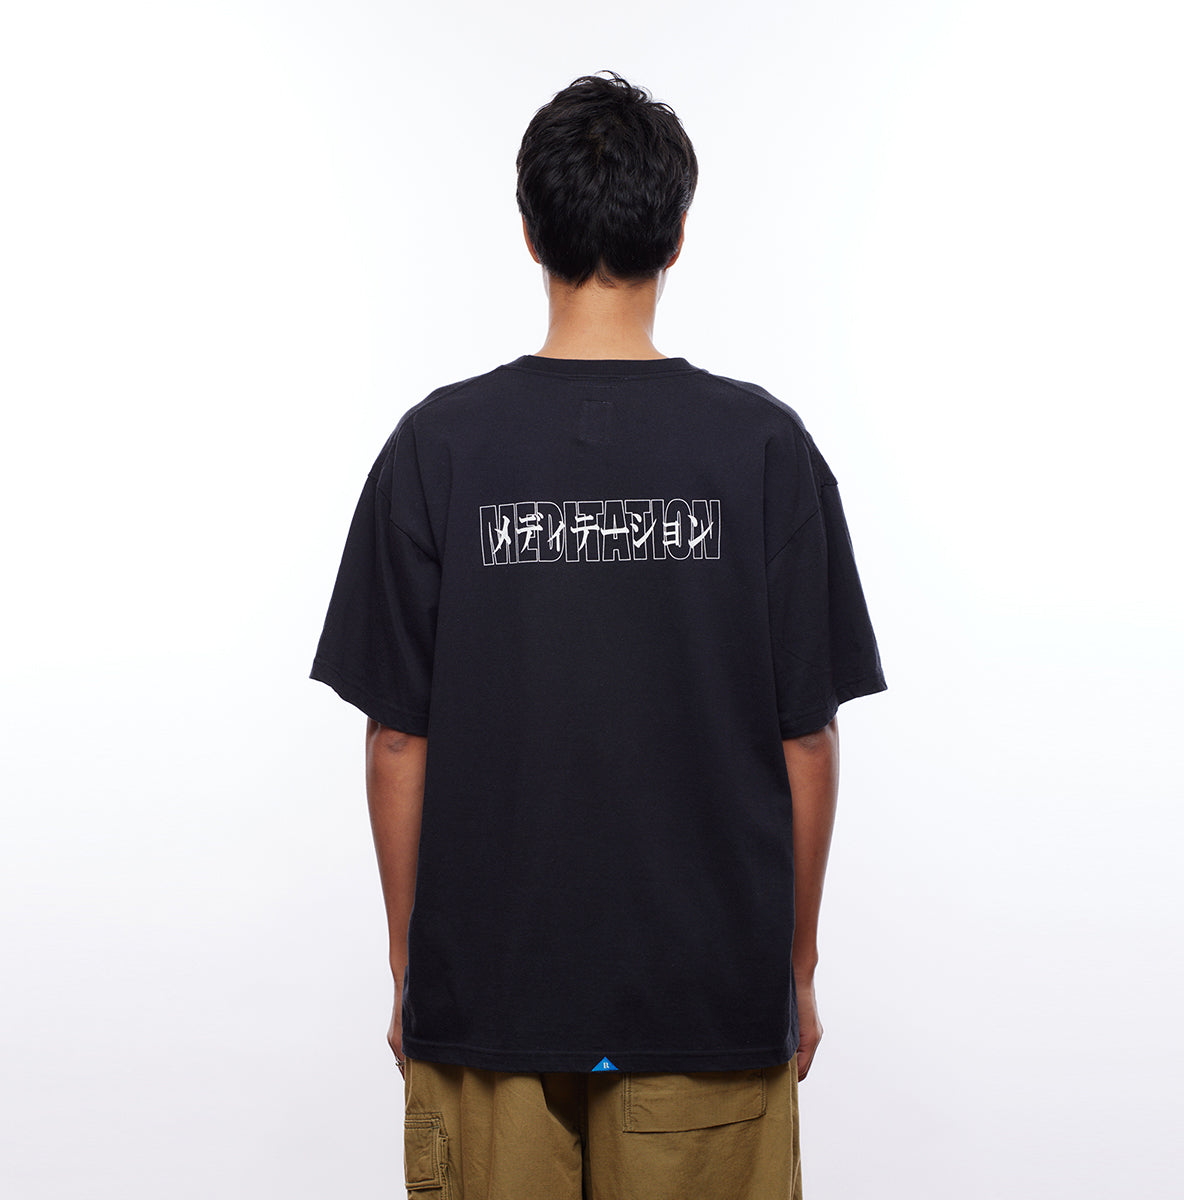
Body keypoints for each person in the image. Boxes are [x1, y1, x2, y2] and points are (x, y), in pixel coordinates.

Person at [309, 69, 887, 1200]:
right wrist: (795, 969)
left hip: (488, 998)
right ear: (678, 234)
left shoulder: (438, 448)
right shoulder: (765, 452)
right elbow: (806, 740)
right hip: (709, 1001)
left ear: (530, 232)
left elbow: (397, 740)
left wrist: (413, 968)